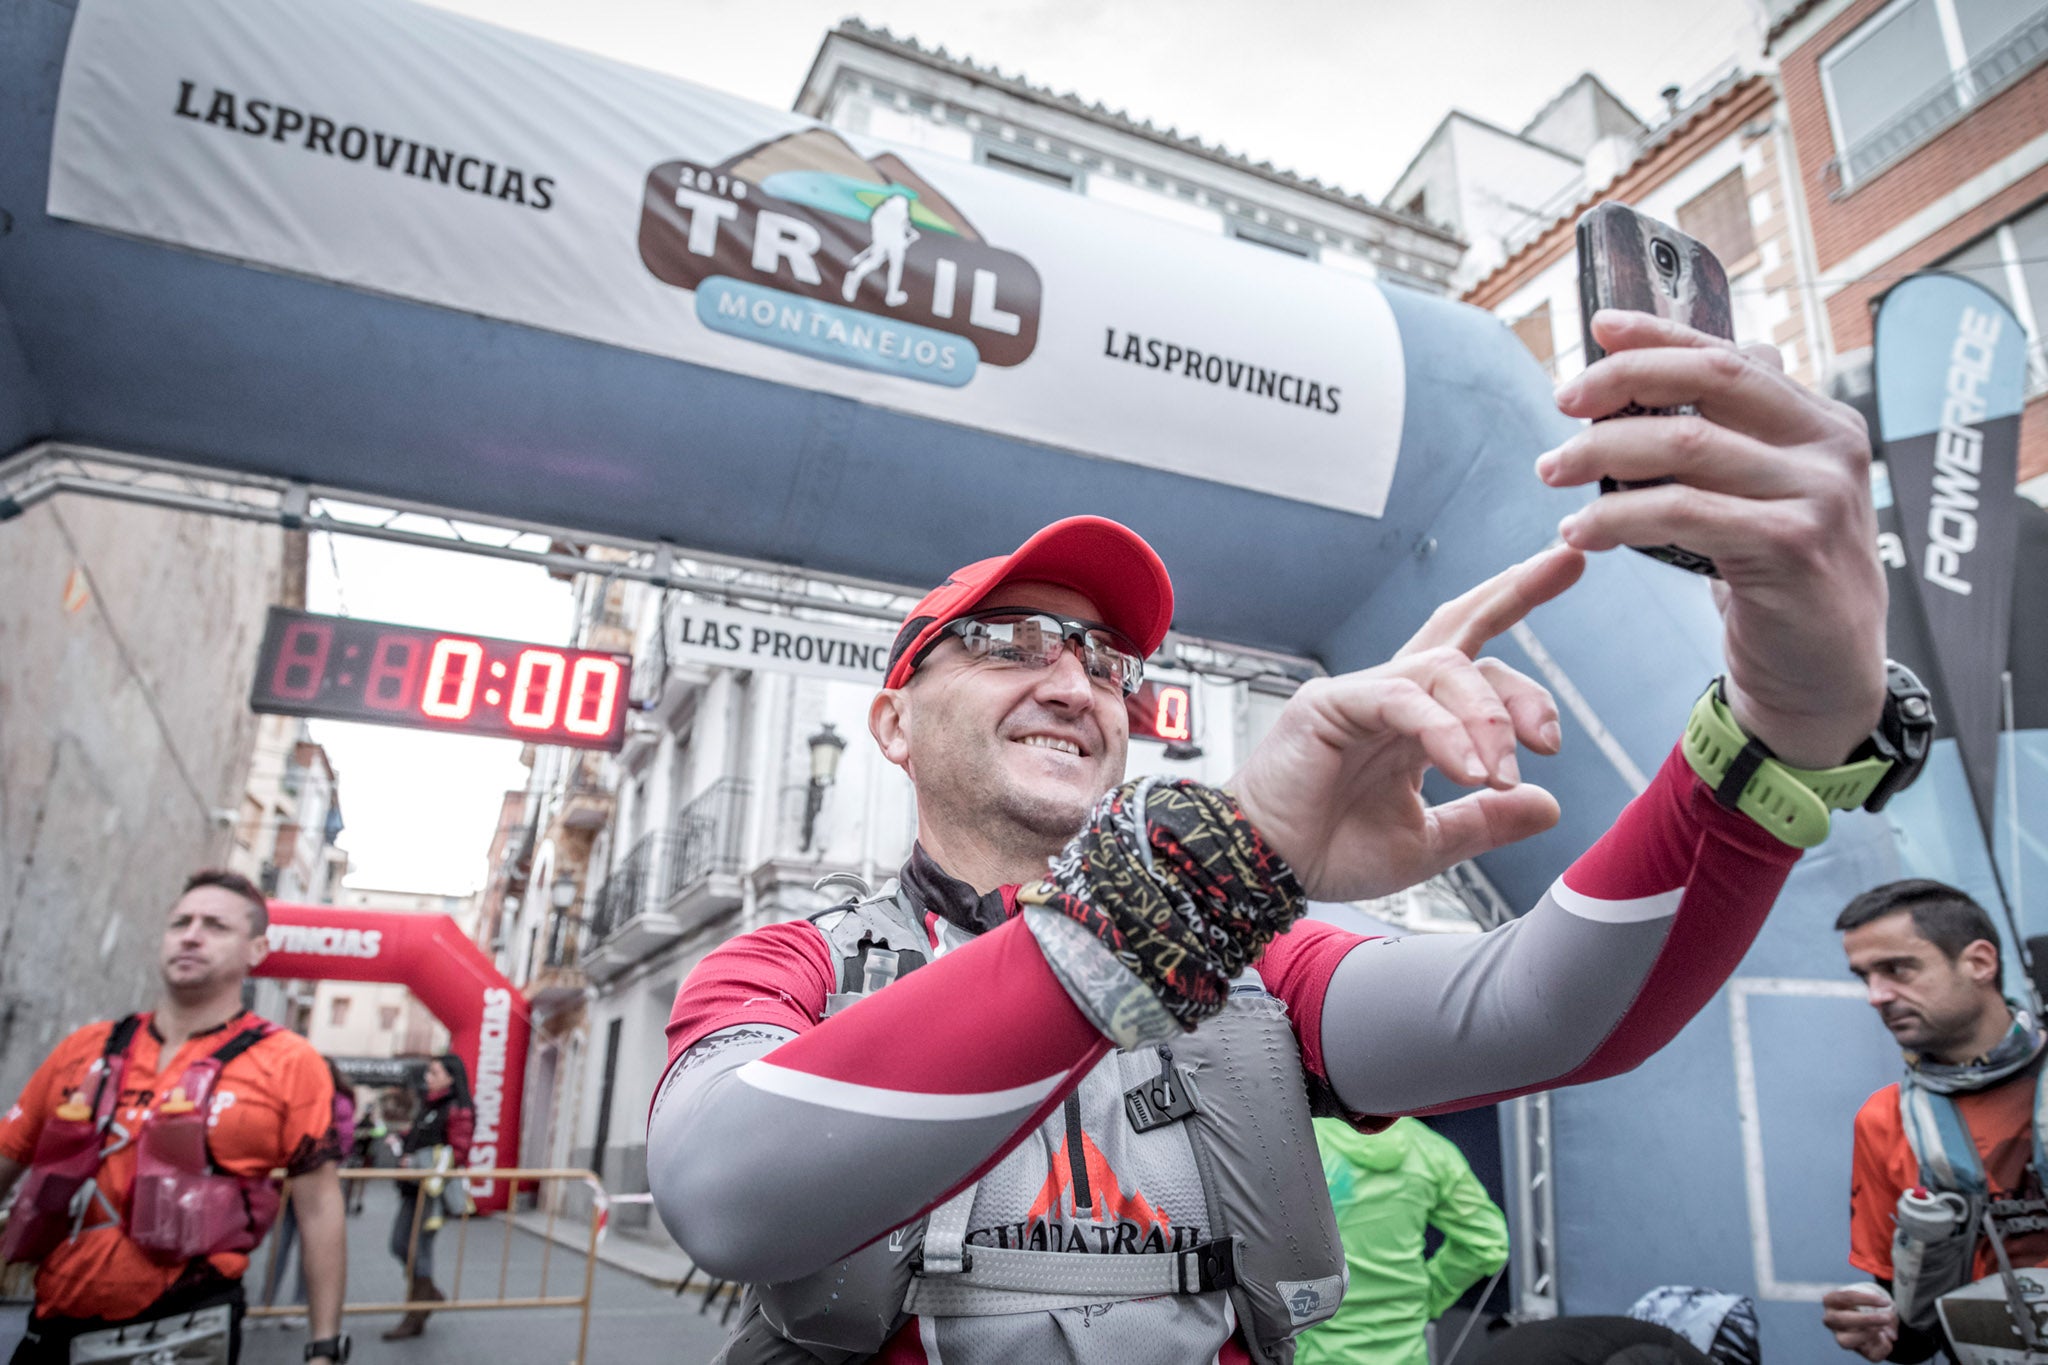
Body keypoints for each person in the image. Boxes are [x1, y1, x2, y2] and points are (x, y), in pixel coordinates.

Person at [648, 310, 1898, 1363]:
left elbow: (1543, 1013)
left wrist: (1774, 734)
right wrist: (1211, 866)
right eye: (1008, 640)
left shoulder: (1257, 967)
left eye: (1102, 659)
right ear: (891, 724)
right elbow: (726, 1199)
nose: (1074, 682)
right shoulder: (785, 966)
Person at [0, 869, 348, 1365]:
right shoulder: (86, 1048)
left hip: (183, 1332)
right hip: (52, 1323)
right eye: (180, 922)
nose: (191, 934)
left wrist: (324, 1348)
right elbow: (8, 1158)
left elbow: (318, 1208)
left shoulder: (290, 1062)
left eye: (215, 926)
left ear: (255, 950)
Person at [1822, 880, 2045, 1362]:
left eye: (1897, 969)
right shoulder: (1883, 1121)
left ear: (1980, 963)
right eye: (1864, 977)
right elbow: (1913, 1330)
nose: (1876, 996)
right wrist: (1880, 1330)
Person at [1297, 1117, 1507, 1365]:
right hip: (1407, 1352)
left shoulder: (1298, 1146)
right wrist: (1428, 1296)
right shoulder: (1428, 1148)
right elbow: (1489, 1243)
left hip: (1318, 1352)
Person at [381, 1053, 473, 1341]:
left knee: (420, 1249)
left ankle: (416, 1315)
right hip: (412, 1189)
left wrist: (418, 1161)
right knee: (399, 1243)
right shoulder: (429, 1104)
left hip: (432, 1191)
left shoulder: (457, 1109)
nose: (428, 1078)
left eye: (434, 1072)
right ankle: (428, 1293)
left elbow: (457, 1152)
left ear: (450, 1077)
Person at [260, 1057, 356, 1322]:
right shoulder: (294, 1098)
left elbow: (343, 1144)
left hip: (317, 1185)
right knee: (279, 1246)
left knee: (311, 1248)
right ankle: (265, 1305)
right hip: (289, 1184)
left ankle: (300, 1306)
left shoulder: (339, 1103)